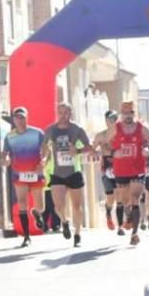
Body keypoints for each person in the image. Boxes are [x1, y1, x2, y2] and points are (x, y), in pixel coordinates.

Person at [105, 100, 149, 245]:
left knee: (135, 199)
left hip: (138, 169)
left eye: (131, 113)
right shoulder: (115, 128)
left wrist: (148, 149)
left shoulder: (142, 128)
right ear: (121, 114)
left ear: (135, 113)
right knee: (126, 202)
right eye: (125, 113)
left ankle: (135, 233)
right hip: (121, 171)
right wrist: (114, 152)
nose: (128, 116)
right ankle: (129, 216)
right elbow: (105, 144)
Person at [44, 103, 94, 247]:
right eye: (60, 112)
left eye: (66, 112)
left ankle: (77, 233)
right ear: (57, 113)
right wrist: (43, 157)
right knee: (58, 207)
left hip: (74, 172)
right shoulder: (51, 130)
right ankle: (64, 222)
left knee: (77, 206)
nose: (63, 115)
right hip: (57, 173)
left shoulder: (77, 129)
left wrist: (77, 151)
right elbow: (44, 146)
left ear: (70, 113)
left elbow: (89, 147)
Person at [2, 107, 48, 248]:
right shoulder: (9, 137)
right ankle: (26, 237)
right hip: (19, 173)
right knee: (22, 203)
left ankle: (36, 213)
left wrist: (44, 161)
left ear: (27, 118)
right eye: (17, 118)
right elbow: (5, 153)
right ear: (14, 120)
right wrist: (6, 159)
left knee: (40, 206)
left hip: (35, 173)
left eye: (22, 117)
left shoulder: (37, 133)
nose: (20, 120)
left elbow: (47, 149)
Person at [92, 110, 122, 231]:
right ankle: (108, 212)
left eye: (115, 118)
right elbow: (92, 149)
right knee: (111, 198)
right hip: (106, 170)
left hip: (121, 169)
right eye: (110, 119)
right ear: (106, 121)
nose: (113, 121)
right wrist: (98, 152)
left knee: (120, 196)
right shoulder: (101, 136)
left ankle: (120, 227)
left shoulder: (122, 135)